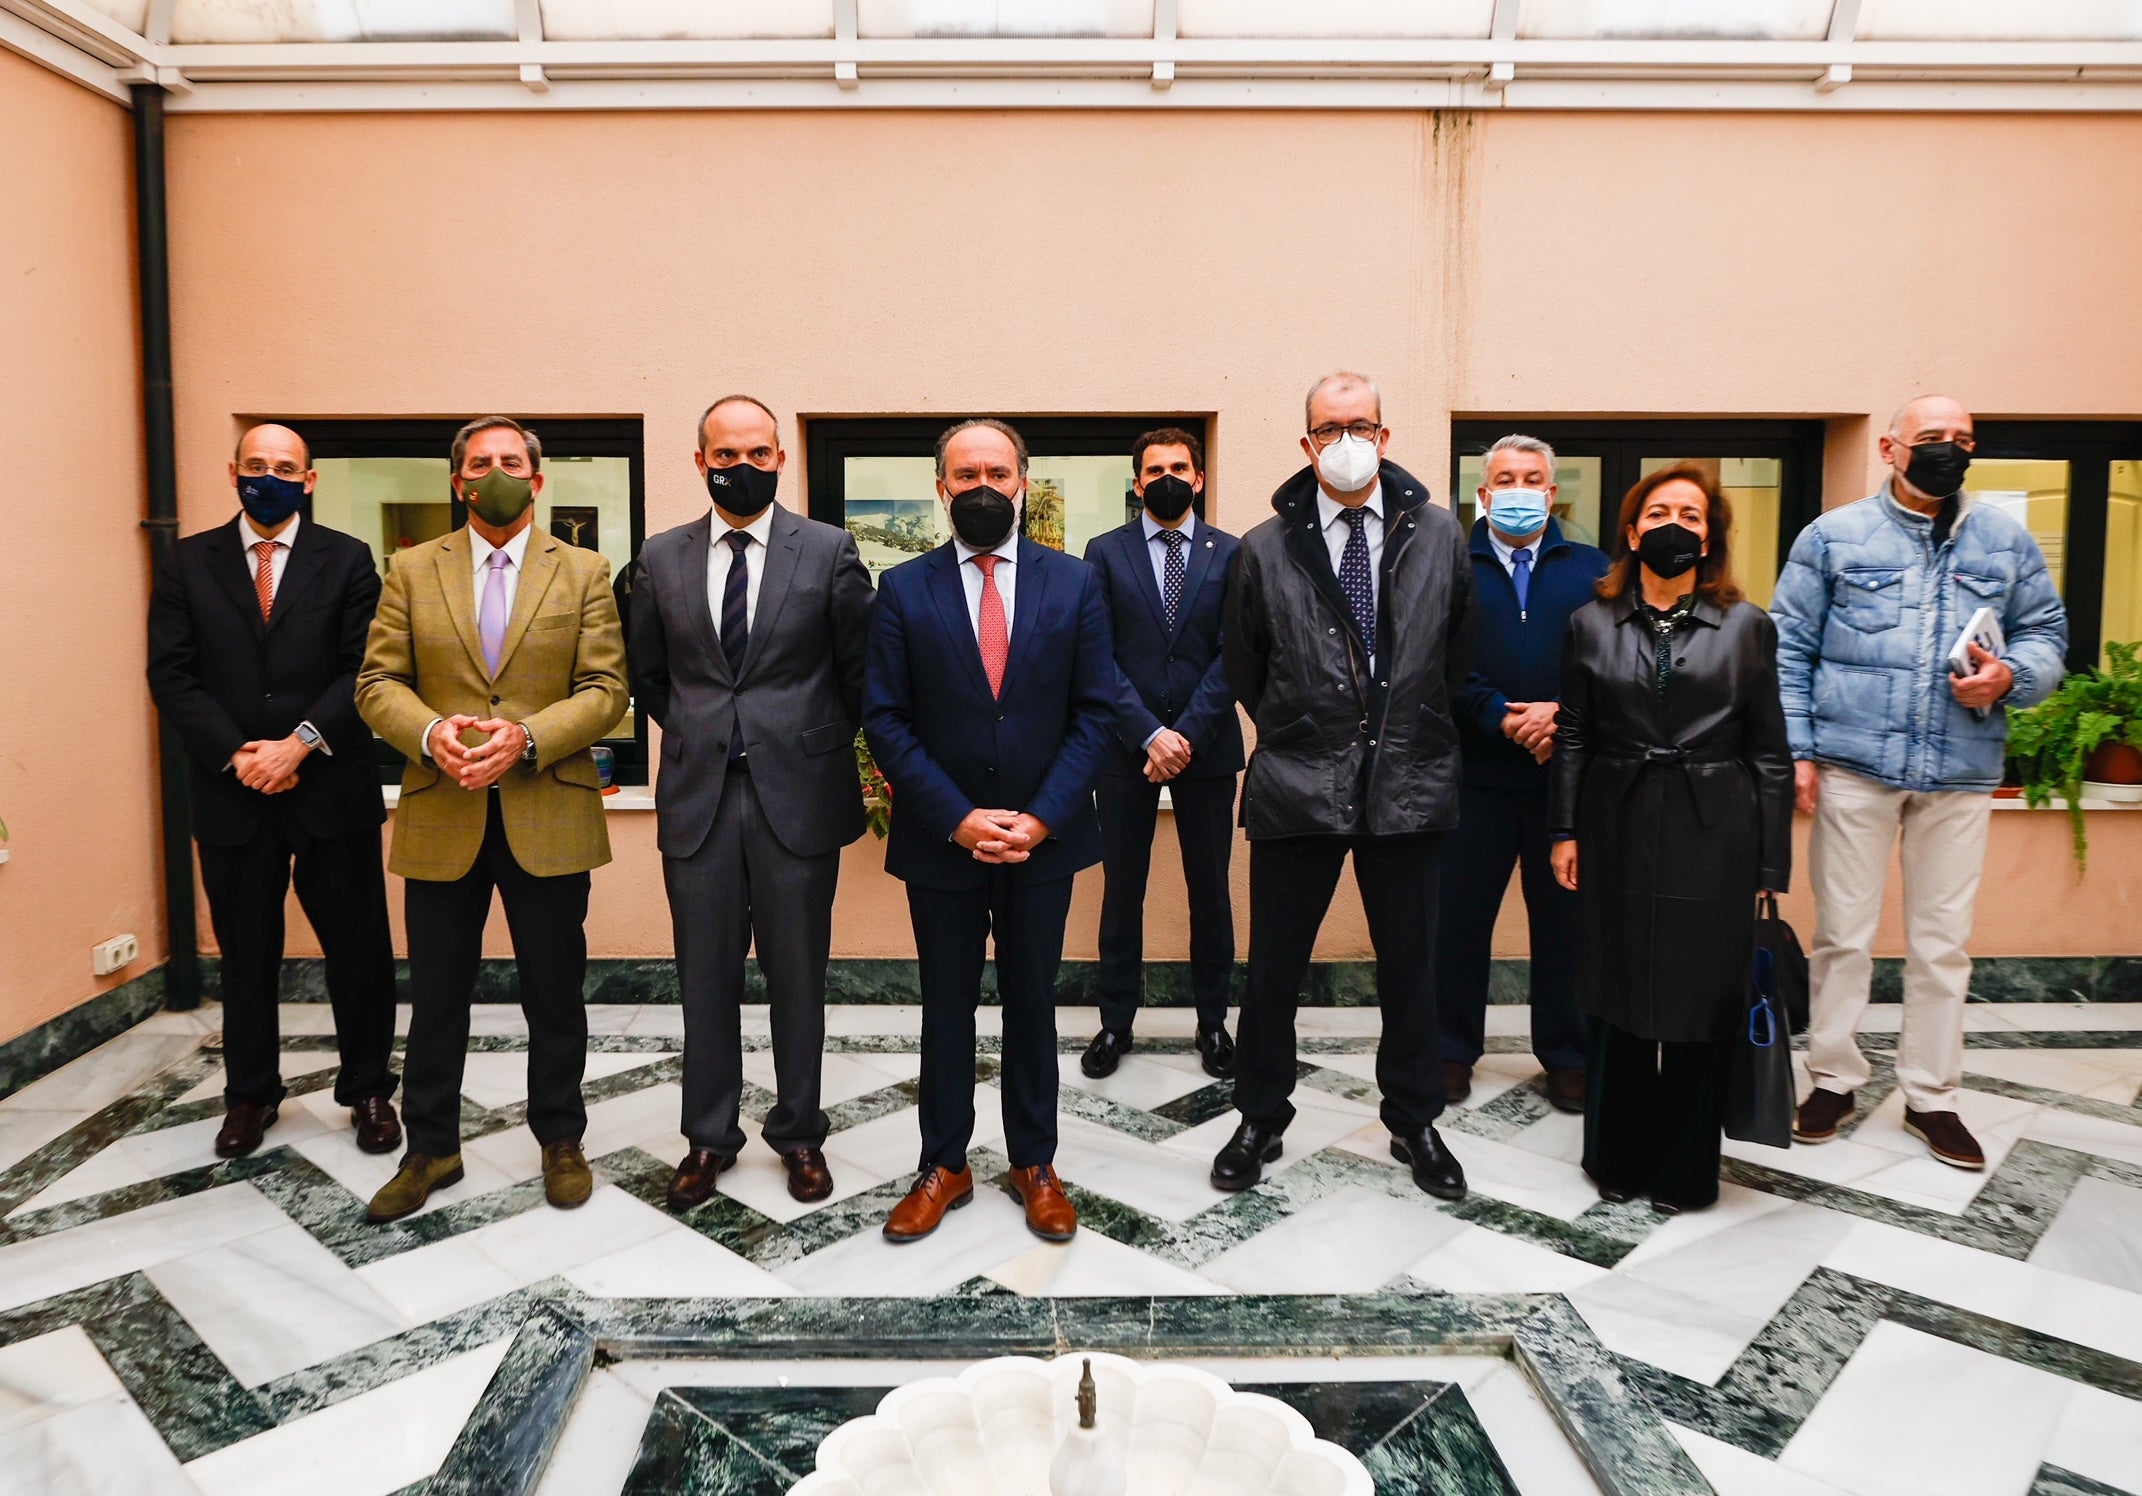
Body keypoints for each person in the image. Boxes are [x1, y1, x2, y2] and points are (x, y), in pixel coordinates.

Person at [1773, 395, 2067, 1169]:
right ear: (1889, 448)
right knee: (1843, 936)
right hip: (1854, 769)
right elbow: (1789, 647)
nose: (1948, 450)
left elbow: (2047, 635)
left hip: (1960, 771)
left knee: (1942, 945)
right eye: (1931, 437)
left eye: (1962, 439)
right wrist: (1798, 751)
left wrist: (2010, 676)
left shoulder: (2005, 540)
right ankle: (1832, 1079)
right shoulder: (1832, 536)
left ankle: (1932, 1096)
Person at [355, 416, 628, 1221]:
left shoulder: (583, 569)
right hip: (444, 810)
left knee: (555, 992)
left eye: (512, 461)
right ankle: (430, 1148)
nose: (496, 473)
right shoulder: (411, 569)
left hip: (549, 811)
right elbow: (377, 682)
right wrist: (431, 734)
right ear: (458, 481)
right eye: (480, 463)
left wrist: (527, 738)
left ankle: (562, 1138)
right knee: (438, 995)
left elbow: (606, 689)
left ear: (537, 481)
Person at [1212, 372, 1473, 1200]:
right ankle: (1259, 1116)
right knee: (1273, 971)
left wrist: (1405, 729)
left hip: (1409, 781)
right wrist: (1305, 729)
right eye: (1329, 428)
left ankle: (1415, 1119)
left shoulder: (1441, 535)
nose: (1346, 441)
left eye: (1361, 425)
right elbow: (1247, 665)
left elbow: (1454, 656)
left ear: (1385, 437)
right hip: (1299, 781)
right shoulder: (1264, 547)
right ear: (1307, 443)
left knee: (1411, 970)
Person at [862, 418, 1115, 1244]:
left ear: (1022, 483)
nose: (982, 487)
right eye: (965, 474)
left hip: (1045, 840)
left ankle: (1034, 1162)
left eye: (996, 473)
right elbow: (886, 720)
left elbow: (1096, 711)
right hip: (943, 842)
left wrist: (1041, 818)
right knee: (946, 1006)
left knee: (1033, 1003)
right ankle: (945, 1163)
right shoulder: (903, 589)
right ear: (941, 488)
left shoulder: (1075, 583)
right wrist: (960, 819)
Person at [629, 395, 875, 1210]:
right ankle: (708, 1138)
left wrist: (801, 738)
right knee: (703, 979)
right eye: (727, 454)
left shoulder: (829, 551)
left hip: (798, 796)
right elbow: (650, 677)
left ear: (781, 459)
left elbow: (858, 670)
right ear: (701, 461)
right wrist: (707, 733)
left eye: (759, 453)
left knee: (798, 977)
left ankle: (800, 1134)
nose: (744, 467)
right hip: (699, 795)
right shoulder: (660, 557)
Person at [146, 423, 401, 1161]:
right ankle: (251, 1095)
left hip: (330, 785)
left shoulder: (348, 559)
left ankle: (369, 1089)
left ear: (309, 480)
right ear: (233, 472)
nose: (270, 477)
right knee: (245, 952)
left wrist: (299, 743)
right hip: (232, 793)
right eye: (256, 464)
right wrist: (238, 755)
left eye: (286, 467)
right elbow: (172, 672)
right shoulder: (188, 562)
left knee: (359, 949)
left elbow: (364, 667)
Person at [1549, 463, 1794, 1214]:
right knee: (1618, 989)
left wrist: (1771, 861)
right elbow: (1573, 737)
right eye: (1659, 514)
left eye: (1691, 516)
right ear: (1631, 532)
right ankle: (1615, 1155)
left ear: (1710, 538)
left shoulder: (1748, 626)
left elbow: (1770, 751)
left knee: (1700, 998)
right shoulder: (1590, 623)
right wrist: (1564, 829)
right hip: (1615, 822)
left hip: (1716, 830)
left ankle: (1687, 1168)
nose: (1674, 527)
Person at [1438, 435, 1609, 1114]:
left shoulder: (1595, 570)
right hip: (1472, 780)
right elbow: (1433, 662)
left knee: (1567, 926)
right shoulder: (1449, 567)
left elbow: (1611, 665)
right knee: (1457, 923)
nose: (1518, 489)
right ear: (1483, 494)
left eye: (1531, 478)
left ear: (1551, 492)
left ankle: (1568, 1056)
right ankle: (1450, 1049)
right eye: (1504, 479)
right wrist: (1500, 717)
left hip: (1564, 784)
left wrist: (1561, 715)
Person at [1080, 427, 1243, 1081]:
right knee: (1122, 891)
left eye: (1179, 467)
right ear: (1137, 481)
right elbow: (1096, 652)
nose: (1167, 478)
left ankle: (1214, 1023)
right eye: (1155, 470)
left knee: (1211, 892)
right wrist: (1149, 733)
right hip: (1126, 749)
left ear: (1198, 478)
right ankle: (1115, 1023)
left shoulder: (1231, 553)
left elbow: (1235, 653)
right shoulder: (1104, 552)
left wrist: (1186, 736)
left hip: (1208, 747)